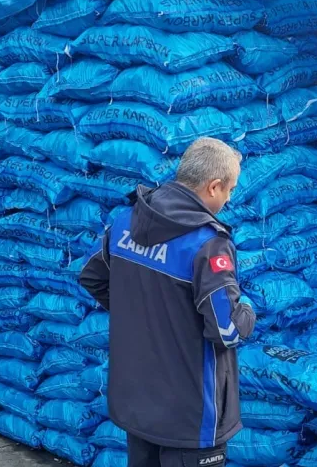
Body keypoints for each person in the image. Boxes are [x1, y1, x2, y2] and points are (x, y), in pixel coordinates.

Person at [80, 137, 256, 467]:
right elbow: (227, 329)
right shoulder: (207, 244)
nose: (230, 198)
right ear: (213, 187)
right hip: (189, 415)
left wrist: (142, 316)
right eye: (230, 190)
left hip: (138, 403)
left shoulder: (125, 222)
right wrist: (247, 307)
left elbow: (93, 278)